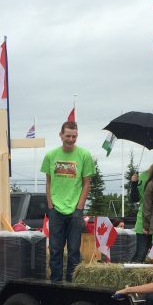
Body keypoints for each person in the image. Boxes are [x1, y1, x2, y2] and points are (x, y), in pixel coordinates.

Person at [41, 121, 94, 283]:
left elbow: (87, 183)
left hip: (75, 210)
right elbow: (48, 182)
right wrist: (50, 205)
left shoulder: (84, 155)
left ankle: (72, 283)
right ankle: (55, 282)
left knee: (73, 250)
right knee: (56, 249)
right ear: (61, 135)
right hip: (56, 209)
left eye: (74, 136)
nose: (71, 139)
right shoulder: (50, 155)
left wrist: (79, 207)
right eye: (68, 136)